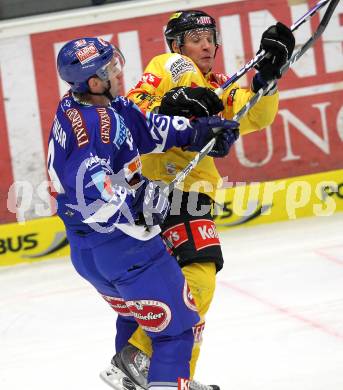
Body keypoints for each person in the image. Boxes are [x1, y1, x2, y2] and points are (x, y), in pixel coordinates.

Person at [103, 9, 295, 390]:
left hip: (180, 194)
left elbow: (253, 115)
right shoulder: (168, 64)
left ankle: (171, 377)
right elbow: (135, 109)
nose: (206, 45)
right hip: (171, 189)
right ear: (177, 44)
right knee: (200, 280)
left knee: (166, 294)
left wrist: (268, 78)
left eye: (210, 38)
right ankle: (136, 356)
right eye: (195, 38)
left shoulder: (220, 85)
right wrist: (175, 101)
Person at [47, 37, 239, 390]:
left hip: (90, 252)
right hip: (126, 249)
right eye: (110, 68)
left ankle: (142, 380)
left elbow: (145, 129)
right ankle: (166, 381)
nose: (119, 71)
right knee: (178, 330)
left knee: (137, 319)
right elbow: (90, 188)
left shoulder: (89, 104)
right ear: (93, 81)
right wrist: (138, 201)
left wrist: (197, 132)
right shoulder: (94, 127)